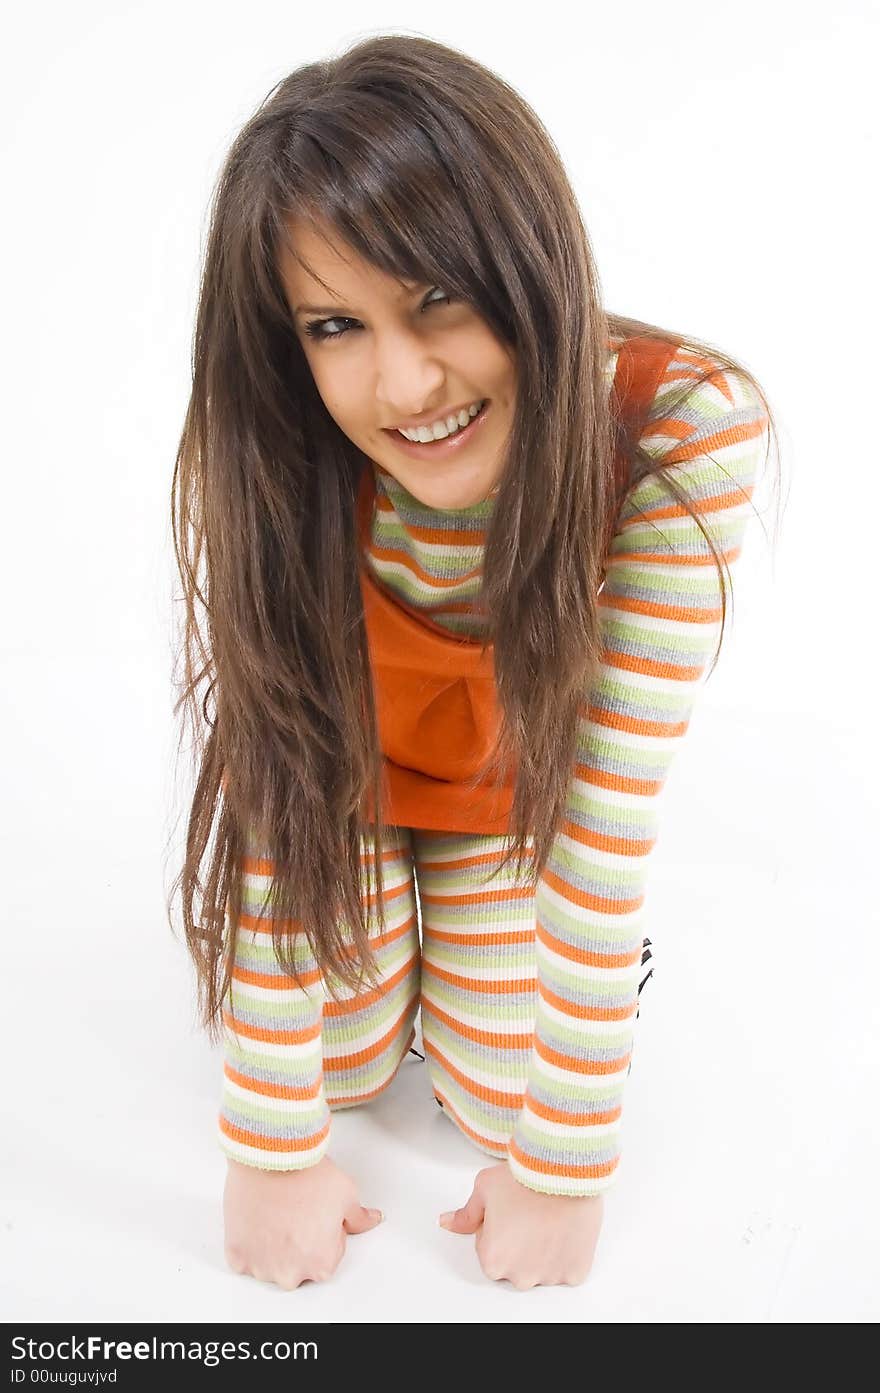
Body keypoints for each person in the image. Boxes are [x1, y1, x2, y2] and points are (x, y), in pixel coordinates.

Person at [168, 33, 779, 1293]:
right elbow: (275, 781)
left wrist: (564, 1170)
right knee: (332, 1070)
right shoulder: (282, 444)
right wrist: (270, 1152)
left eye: (438, 293)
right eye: (336, 324)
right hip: (337, 793)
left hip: (523, 807)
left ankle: (465, 931)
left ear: (526, 257)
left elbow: (604, 825)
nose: (403, 382)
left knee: (507, 1095)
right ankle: (397, 945)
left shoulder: (679, 427)